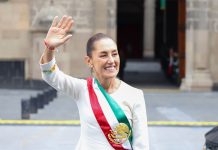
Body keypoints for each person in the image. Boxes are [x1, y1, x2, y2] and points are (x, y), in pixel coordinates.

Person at [39, 15, 149, 150]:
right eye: (103, 55)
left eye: (114, 54)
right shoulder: (82, 89)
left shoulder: (135, 95)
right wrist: (49, 49)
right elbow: (51, 75)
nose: (111, 60)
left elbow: (141, 144)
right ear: (89, 61)